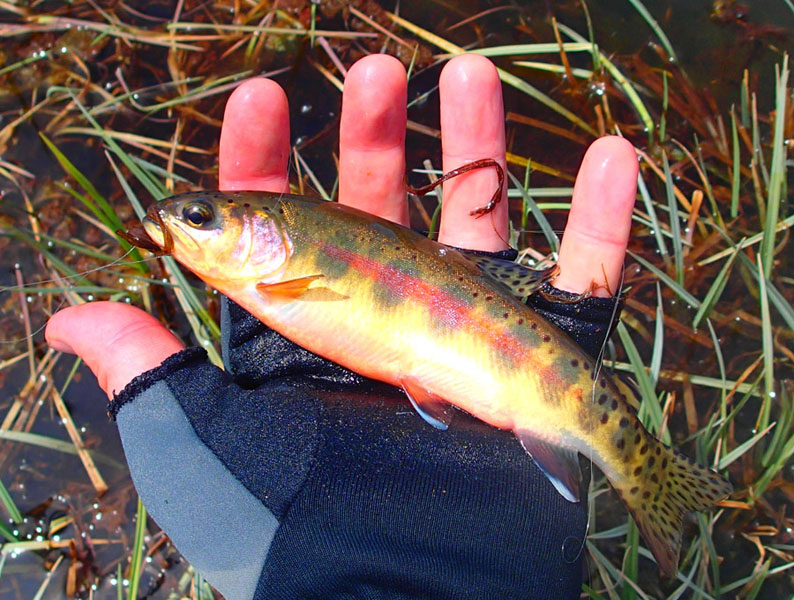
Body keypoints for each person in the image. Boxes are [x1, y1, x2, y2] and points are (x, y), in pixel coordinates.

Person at [45, 54, 638, 599]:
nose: (184, 225)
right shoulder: (266, 276)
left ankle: (640, 467)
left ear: (267, 229)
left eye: (202, 218)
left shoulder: (280, 276)